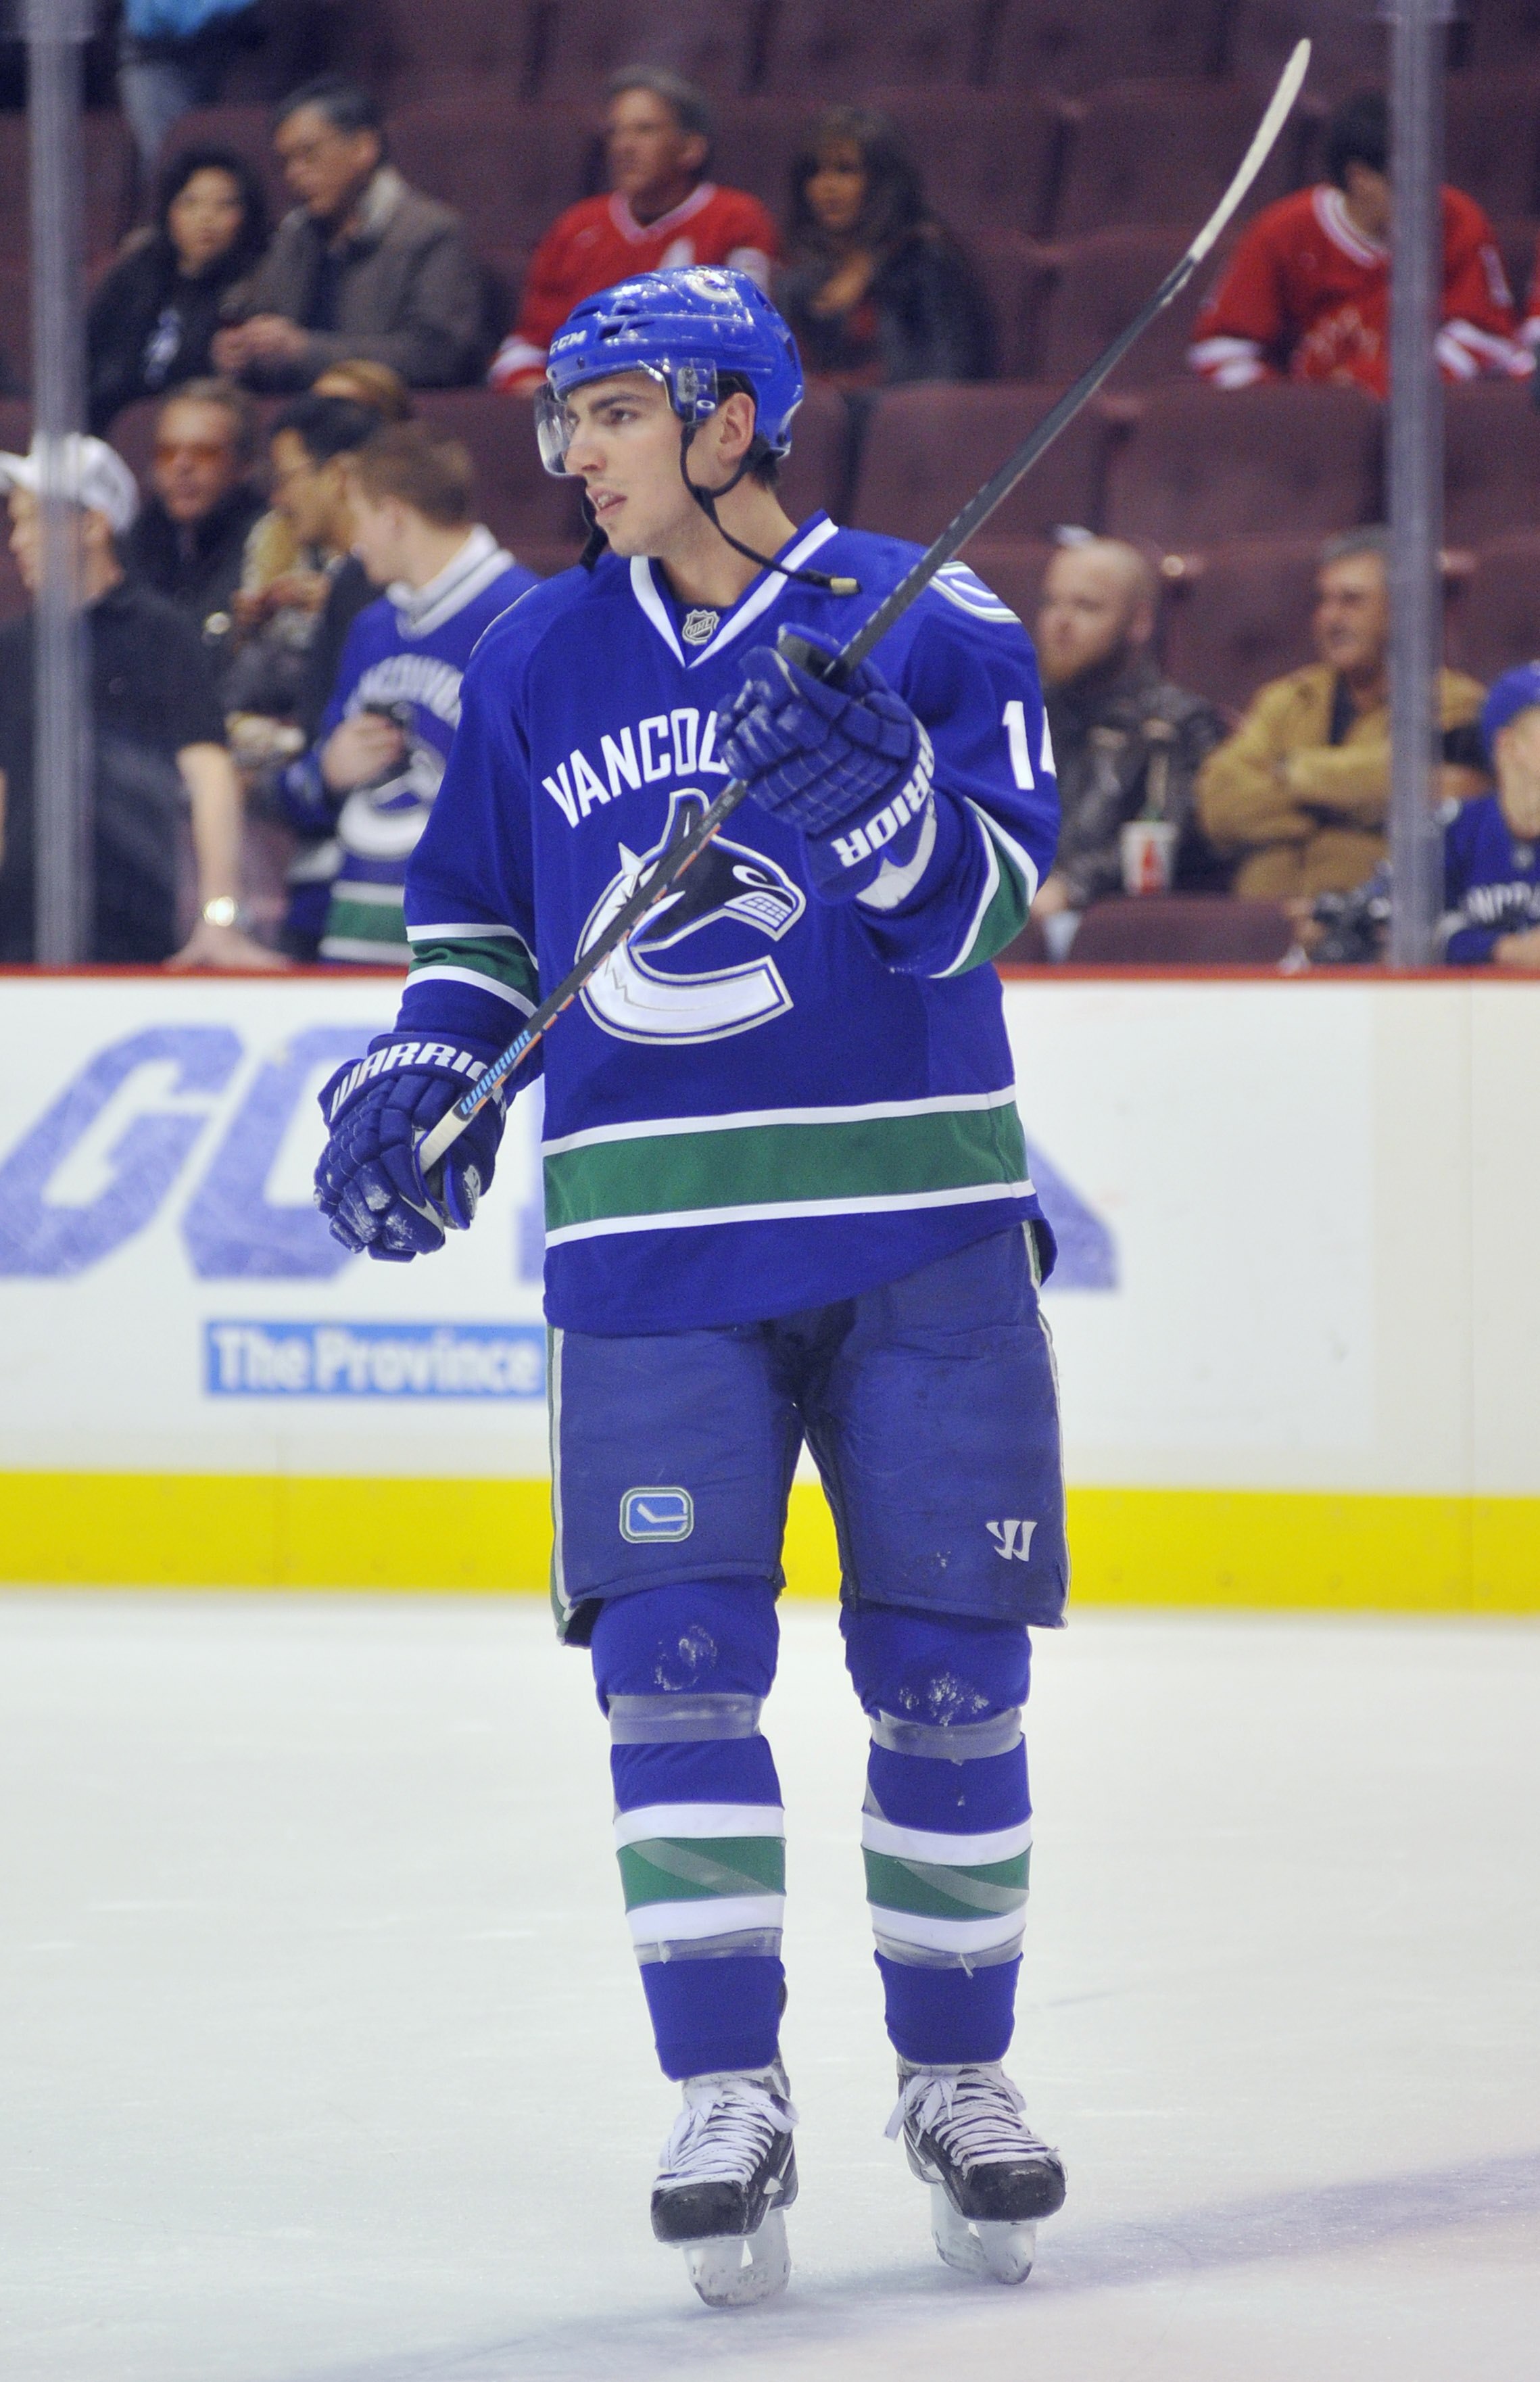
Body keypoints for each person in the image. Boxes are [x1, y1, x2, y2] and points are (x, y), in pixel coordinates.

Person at [312, 268, 1069, 2305]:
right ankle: (727, 2091)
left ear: (733, 421)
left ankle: (958, 2076)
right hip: (649, 1245)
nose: (575, 453)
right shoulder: (533, 654)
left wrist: (892, 818)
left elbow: (997, 902)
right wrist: (427, 1069)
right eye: (563, 418)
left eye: (616, 411)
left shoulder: (931, 614)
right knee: (670, 1664)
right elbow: (474, 925)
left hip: (917, 1227)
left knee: (950, 1673)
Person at [0, 435, 279, 971]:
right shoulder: (13, 646)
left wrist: (219, 917)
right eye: (17, 522)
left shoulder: (160, 634)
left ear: (93, 524)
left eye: (33, 520)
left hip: (130, 931)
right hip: (18, 933)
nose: (18, 541)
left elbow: (210, 775)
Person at [274, 421, 537, 962]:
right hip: (354, 939)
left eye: (360, 517)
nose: (356, 541)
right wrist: (329, 771)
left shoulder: (526, 616)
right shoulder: (372, 626)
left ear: (392, 515)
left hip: (477, 952)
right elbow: (309, 786)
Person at [1196, 528, 1485, 901]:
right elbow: (1219, 806)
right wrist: (1349, 802)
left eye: (1352, 601)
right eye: (1324, 601)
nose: (1331, 618)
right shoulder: (1285, 699)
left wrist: (1293, 773)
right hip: (1264, 919)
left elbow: (1441, 791)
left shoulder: (1452, 701)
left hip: (1374, 920)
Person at [1189, 90, 1525, 396]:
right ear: (1359, 178)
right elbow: (1219, 349)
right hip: (1311, 421)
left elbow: (1489, 338)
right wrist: (1292, 410)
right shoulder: (1281, 232)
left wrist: (1379, 384)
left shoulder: (1458, 219)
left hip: (1428, 420)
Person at [487, 70, 778, 394]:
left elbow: (749, 344)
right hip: (578, 407)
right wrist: (549, 394)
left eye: (645, 130)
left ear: (691, 148)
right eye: (616, 132)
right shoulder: (577, 226)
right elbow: (527, 347)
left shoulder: (737, 220)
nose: (623, 146)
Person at [212, 76, 486, 393]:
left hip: (383, 410)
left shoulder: (432, 232)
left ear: (363, 148)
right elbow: (257, 315)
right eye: (286, 161)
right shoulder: (295, 233)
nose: (293, 173)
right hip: (296, 409)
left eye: (308, 154)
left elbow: (438, 356)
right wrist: (243, 351)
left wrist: (306, 351)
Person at [1030, 536, 1226, 934]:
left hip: (1112, 925)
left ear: (1139, 622)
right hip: (1018, 910)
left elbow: (1168, 839)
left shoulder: (1178, 724)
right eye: (1052, 603)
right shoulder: (1018, 714)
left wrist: (1069, 887)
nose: (1061, 622)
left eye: (1086, 606)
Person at [775, 107, 994, 390]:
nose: (827, 186)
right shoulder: (799, 281)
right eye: (815, 172)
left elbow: (945, 377)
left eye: (845, 170)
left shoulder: (927, 262)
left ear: (882, 181)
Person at [87, 145, 270, 435]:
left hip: (191, 428)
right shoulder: (136, 271)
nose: (206, 217)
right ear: (169, 211)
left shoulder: (257, 284)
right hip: (105, 423)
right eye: (190, 202)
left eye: (224, 205)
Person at [122, 379, 266, 694]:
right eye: (167, 452)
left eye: (204, 453)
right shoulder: (135, 543)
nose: (182, 465)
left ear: (244, 465)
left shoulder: (269, 544)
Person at [1439, 663, 1540, 967]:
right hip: (1469, 996)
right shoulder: (1455, 828)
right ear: (1509, 745)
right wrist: (1506, 950)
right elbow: (1422, 929)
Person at [117, 0, 258, 170]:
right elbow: (164, 18)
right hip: (158, 60)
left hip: (231, 56)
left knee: (234, 156)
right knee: (170, 160)